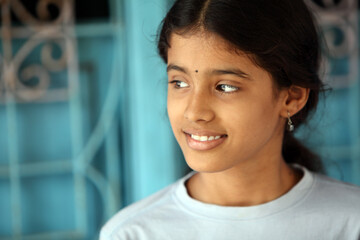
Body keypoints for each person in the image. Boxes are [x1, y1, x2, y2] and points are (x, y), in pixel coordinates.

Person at [100, 0, 360, 239]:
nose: (194, 112)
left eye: (225, 87)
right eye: (179, 82)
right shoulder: (132, 234)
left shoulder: (350, 223)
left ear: (291, 98)